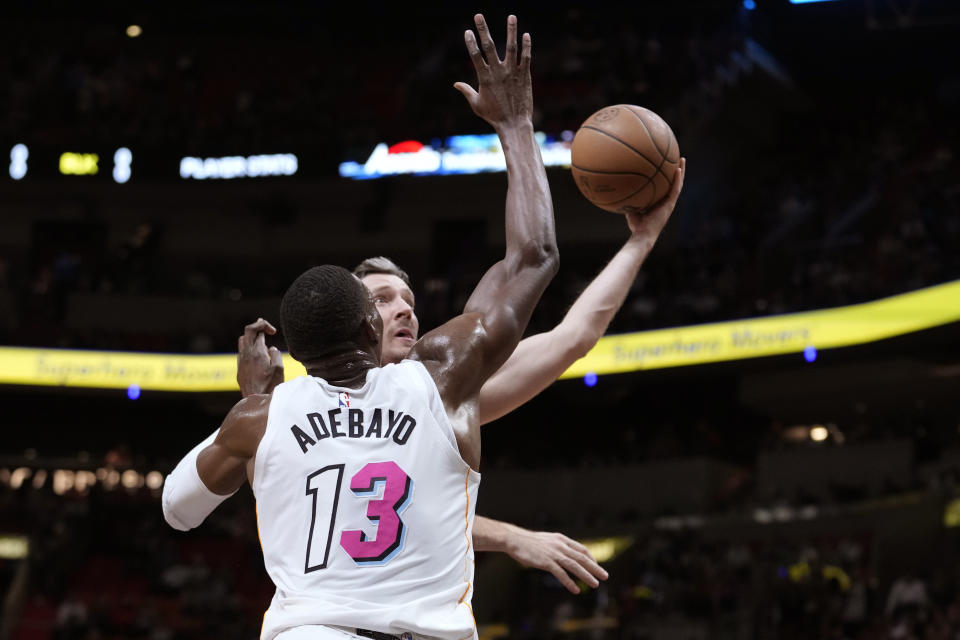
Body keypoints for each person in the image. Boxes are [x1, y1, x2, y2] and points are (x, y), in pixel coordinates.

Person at [164, 14, 559, 640]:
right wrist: (515, 124)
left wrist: (257, 399)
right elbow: (533, 257)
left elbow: (178, 511)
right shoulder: (440, 380)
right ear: (365, 325)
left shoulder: (260, 416)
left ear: (293, 349)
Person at [238, 153, 685, 594]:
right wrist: (510, 536)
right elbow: (373, 512)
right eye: (384, 298)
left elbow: (572, 336)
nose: (404, 309)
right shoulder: (304, 409)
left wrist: (641, 241)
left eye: (410, 301)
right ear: (351, 318)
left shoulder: (440, 395)